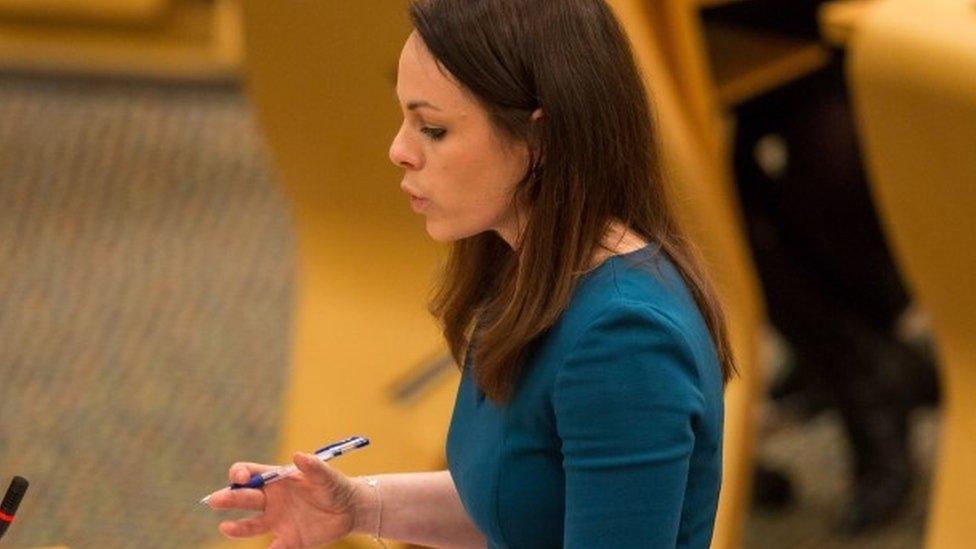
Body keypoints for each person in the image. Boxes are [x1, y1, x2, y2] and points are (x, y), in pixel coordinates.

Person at [206, 1, 733, 547]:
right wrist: (357, 505)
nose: (399, 150)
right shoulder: (528, 269)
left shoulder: (623, 342)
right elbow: (528, 504)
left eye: (432, 128)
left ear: (539, 139)